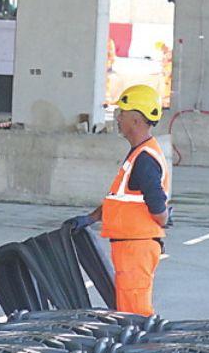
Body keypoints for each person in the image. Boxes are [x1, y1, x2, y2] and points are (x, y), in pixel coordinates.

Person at [72, 84, 172, 317]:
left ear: (136, 121)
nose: (118, 119)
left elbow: (157, 206)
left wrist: (164, 218)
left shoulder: (145, 159)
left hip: (136, 247)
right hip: (130, 246)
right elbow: (121, 199)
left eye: (122, 114)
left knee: (136, 314)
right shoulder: (139, 153)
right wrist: (91, 218)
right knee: (128, 309)